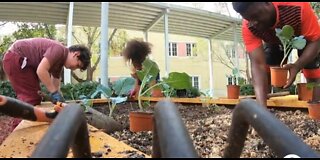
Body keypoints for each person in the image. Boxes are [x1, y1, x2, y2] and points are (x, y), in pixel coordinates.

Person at [232, 2, 320, 107]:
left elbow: (315, 41)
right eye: (249, 19)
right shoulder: (249, 27)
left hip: (304, 38)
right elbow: (257, 65)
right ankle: (266, 109)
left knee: (312, 66)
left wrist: (297, 65)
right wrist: (261, 112)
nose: (253, 23)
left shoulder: (297, 7)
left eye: (255, 16)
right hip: (274, 42)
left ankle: (316, 108)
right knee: (268, 61)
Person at [1, 37, 91, 126]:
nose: (74, 68)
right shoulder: (59, 50)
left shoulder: (59, 62)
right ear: (76, 54)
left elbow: (55, 82)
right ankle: (17, 127)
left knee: (35, 97)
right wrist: (54, 92)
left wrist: (60, 99)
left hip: (23, 62)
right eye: (77, 65)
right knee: (30, 99)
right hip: (15, 57)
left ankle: (22, 124)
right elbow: (41, 70)